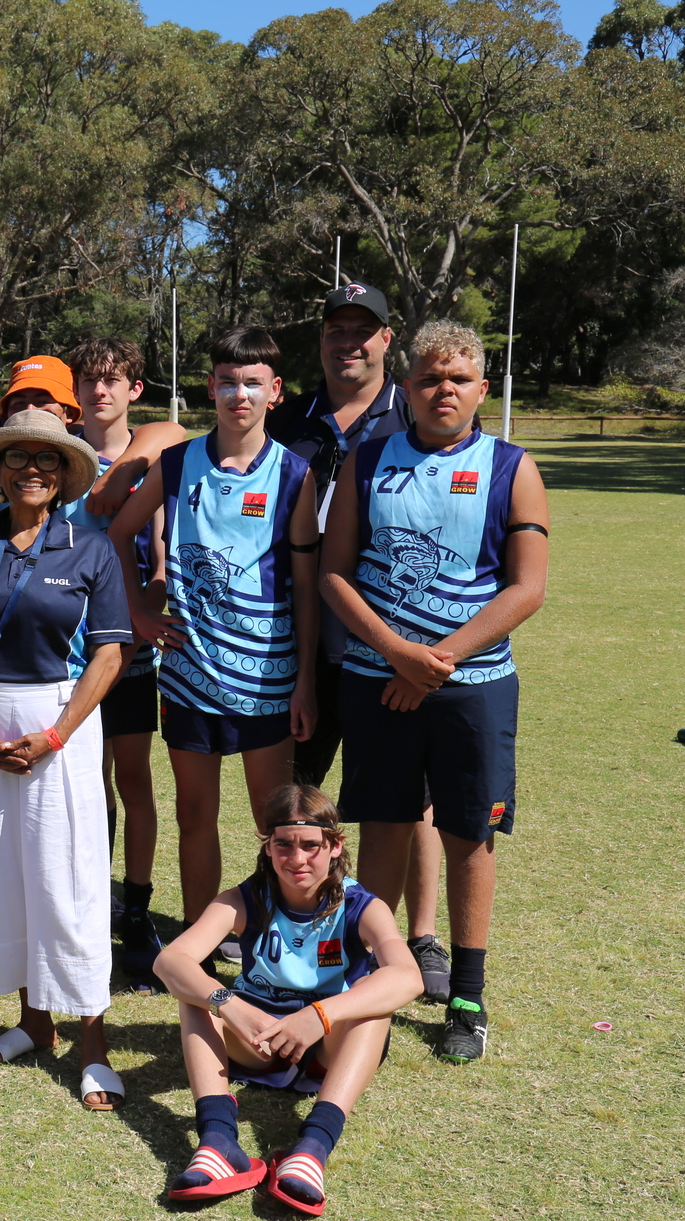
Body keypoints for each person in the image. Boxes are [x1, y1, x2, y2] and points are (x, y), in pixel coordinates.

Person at [321, 320, 550, 1064]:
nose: (442, 390)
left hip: (472, 686)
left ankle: (467, 997)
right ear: (407, 388)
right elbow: (334, 572)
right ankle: (375, 990)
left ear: (483, 389)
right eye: (428, 378)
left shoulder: (511, 466)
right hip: (376, 680)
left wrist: (438, 659)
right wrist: (395, 653)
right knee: (383, 828)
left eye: (458, 379)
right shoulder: (367, 461)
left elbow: (527, 587)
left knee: (467, 836)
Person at [0, 410, 133, 1111]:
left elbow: (109, 653)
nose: (31, 470)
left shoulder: (91, 549)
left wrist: (58, 735)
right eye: (17, 459)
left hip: (60, 727)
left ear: (66, 473)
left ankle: (92, 1041)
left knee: (67, 877)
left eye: (46, 460)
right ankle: (33, 1023)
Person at [266, 283, 451, 1002]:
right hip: (305, 638)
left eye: (363, 330)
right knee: (299, 794)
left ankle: (421, 934)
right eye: (336, 329)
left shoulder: (414, 419)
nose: (349, 342)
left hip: (391, 642)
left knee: (407, 801)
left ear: (386, 340)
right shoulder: (289, 422)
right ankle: (299, 921)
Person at [109, 328, 319, 964]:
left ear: (274, 392)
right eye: (227, 381)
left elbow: (307, 588)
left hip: (266, 679)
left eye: (253, 382)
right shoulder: (177, 463)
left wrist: (305, 678)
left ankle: (270, 938)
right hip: (188, 675)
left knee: (275, 824)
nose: (239, 394)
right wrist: (143, 613)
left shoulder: (295, 473)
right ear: (211, 388)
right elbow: (117, 533)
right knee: (194, 816)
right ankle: (203, 940)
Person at [151, 784, 421, 1216]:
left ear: (335, 846)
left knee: (375, 1005)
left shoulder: (362, 906)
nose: (297, 859)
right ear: (268, 845)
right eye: (284, 845)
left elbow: (408, 977)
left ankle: (312, 1149)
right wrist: (229, 1004)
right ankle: (219, 1142)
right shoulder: (245, 898)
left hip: (328, 1041)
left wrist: (320, 1014)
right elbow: (170, 962)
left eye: (311, 846)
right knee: (196, 993)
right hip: (257, 1038)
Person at [60, 338, 185, 987]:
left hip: (129, 654)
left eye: (113, 380)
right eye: (90, 380)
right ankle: (88, 899)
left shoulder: (154, 456)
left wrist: (142, 610)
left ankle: (135, 909)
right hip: (71, 653)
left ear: (134, 388)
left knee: (134, 779)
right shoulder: (61, 450)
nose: (100, 390)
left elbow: (173, 431)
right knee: (86, 784)